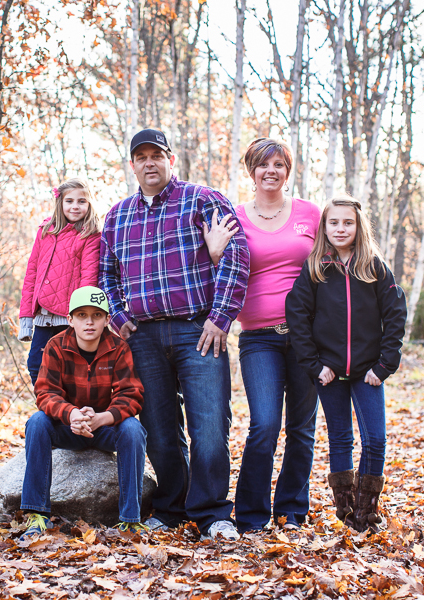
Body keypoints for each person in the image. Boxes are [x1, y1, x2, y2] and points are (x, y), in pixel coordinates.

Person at [99, 128, 250, 541]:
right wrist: (117, 314)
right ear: (132, 165)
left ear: (170, 160)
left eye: (157, 155)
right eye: (141, 157)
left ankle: (213, 513)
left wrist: (220, 318)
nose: (150, 163)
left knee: (209, 426)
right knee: (160, 428)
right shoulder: (118, 215)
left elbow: (236, 256)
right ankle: (171, 507)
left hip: (197, 330)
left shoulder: (203, 200)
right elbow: (106, 274)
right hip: (142, 337)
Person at [285, 195, 407, 533]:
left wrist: (384, 366)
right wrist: (313, 364)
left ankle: (368, 511)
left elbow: (396, 315)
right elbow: (296, 316)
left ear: (358, 226)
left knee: (376, 440)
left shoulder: (375, 268)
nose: (341, 228)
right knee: (340, 439)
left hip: (368, 372)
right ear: (324, 227)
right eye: (334, 222)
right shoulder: (315, 270)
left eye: (348, 222)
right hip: (330, 373)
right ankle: (347, 512)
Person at [229, 138, 321, 533]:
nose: (272, 171)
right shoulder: (234, 216)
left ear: (288, 169)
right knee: (264, 424)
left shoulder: (310, 214)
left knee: (302, 427)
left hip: (307, 337)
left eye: (279, 164)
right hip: (258, 338)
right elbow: (221, 272)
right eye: (263, 165)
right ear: (252, 171)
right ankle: (250, 515)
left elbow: (332, 269)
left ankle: (291, 511)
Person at [20, 286, 147, 538]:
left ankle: (130, 520)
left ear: (107, 319)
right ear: (70, 319)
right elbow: (46, 392)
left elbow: (130, 394)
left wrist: (103, 418)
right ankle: (36, 515)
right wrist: (71, 414)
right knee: (36, 422)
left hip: (103, 428)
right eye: (81, 315)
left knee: (133, 429)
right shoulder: (55, 346)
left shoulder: (118, 347)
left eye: (96, 315)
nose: (89, 322)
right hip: (68, 427)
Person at [19, 178, 103, 384]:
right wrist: (26, 317)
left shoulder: (91, 235)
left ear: (90, 203)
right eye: (70, 201)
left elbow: (89, 279)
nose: (75, 206)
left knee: (71, 371)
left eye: (81, 201)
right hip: (43, 317)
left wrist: (82, 317)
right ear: (60, 203)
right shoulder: (45, 230)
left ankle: (71, 412)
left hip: (69, 319)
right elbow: (32, 273)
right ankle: (51, 410)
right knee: (36, 365)